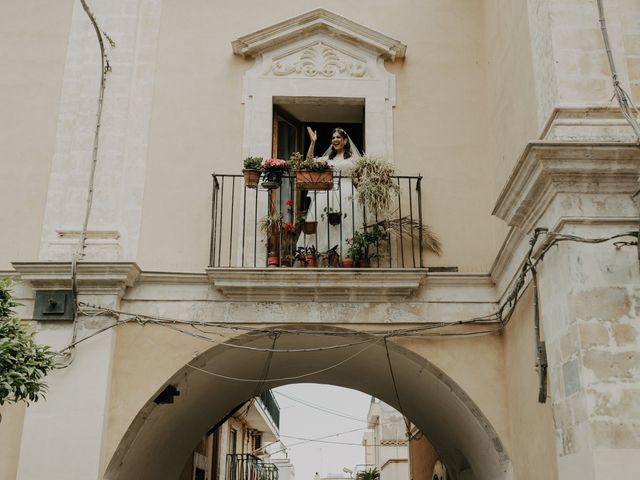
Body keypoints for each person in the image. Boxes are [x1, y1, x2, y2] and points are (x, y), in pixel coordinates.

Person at [298, 127, 363, 260]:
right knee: (323, 224)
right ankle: (321, 257)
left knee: (347, 224)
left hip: (348, 193)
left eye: (338, 137)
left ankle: (347, 257)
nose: (335, 140)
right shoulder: (327, 159)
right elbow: (308, 163)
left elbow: (361, 177)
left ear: (345, 141)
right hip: (327, 193)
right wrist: (312, 142)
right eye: (333, 138)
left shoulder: (354, 159)